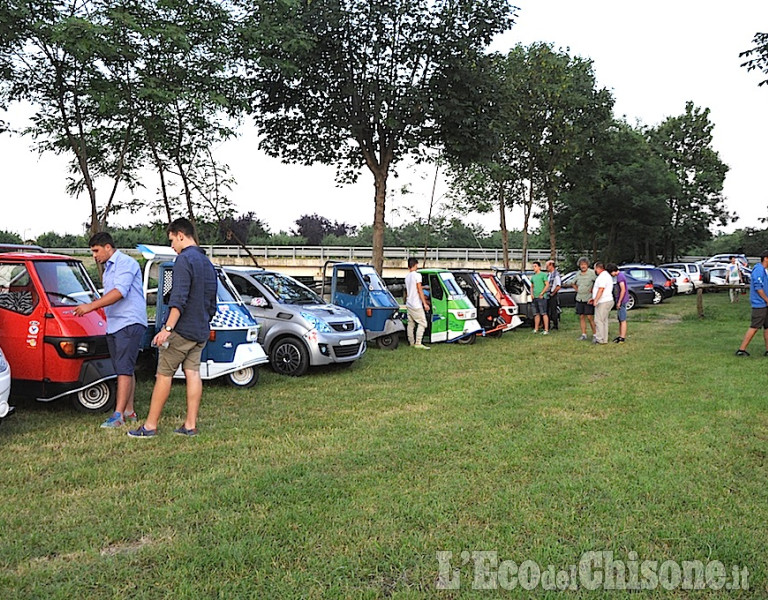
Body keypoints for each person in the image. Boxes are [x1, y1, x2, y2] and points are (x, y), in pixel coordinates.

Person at [128, 218, 217, 437]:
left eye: (172, 241)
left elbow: (178, 299)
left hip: (181, 331)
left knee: (164, 375)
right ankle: (190, 424)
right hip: (200, 330)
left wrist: (167, 329)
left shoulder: (184, 261)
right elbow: (212, 300)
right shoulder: (207, 263)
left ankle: (150, 426)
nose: (172, 247)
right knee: (193, 373)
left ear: (180, 235)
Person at [74, 232, 147, 428]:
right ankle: (129, 411)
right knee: (124, 367)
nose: (94, 256)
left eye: (96, 251)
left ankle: (118, 416)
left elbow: (119, 293)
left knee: (123, 368)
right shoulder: (107, 269)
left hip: (129, 322)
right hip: (115, 324)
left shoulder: (126, 263)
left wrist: (91, 307)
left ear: (108, 247)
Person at [735, 251, 768, 357]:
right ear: (766, 258)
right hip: (760, 304)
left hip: (765, 304)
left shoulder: (764, 270)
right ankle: (742, 350)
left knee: (767, 327)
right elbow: (758, 287)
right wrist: (767, 300)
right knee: (754, 326)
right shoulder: (758, 269)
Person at [404, 257, 431, 349]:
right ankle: (418, 342)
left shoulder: (407, 277)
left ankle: (411, 342)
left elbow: (408, 291)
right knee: (423, 323)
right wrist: (425, 303)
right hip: (416, 304)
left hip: (409, 303)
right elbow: (419, 289)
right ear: (415, 265)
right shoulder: (417, 275)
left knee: (411, 324)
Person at [571, 257, 596, 341]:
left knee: (590, 317)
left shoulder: (592, 273)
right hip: (579, 298)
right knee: (581, 316)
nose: (583, 266)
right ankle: (584, 334)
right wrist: (577, 289)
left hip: (588, 298)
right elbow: (573, 283)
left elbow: (597, 282)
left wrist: (593, 290)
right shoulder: (578, 274)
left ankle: (595, 334)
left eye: (584, 264)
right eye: (581, 264)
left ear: (587, 265)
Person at [589, 261, 614, 344]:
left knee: (598, 320)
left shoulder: (602, 277)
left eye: (595, 269)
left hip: (603, 301)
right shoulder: (607, 275)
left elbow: (601, 289)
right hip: (607, 300)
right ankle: (604, 338)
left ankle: (600, 339)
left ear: (598, 268)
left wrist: (596, 300)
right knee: (604, 320)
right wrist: (594, 298)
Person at [608, 263, 628, 344]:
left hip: (622, 300)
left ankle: (622, 337)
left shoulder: (620, 277)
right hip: (620, 300)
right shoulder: (620, 276)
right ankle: (620, 335)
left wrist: (619, 301)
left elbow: (623, 290)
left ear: (613, 271)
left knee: (622, 319)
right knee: (620, 318)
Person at [529, 261, 550, 334]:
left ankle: (546, 329)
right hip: (535, 297)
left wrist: (542, 293)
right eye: (533, 266)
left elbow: (547, 285)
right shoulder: (533, 277)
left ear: (539, 267)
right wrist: (531, 294)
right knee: (536, 313)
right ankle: (536, 328)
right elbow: (531, 286)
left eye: (535, 266)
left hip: (542, 297)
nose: (534, 268)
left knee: (543, 313)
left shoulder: (543, 275)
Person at [545, 260, 562, 330]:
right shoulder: (549, 274)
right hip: (548, 294)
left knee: (553, 311)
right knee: (548, 310)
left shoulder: (556, 275)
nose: (546, 267)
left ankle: (555, 325)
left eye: (547, 266)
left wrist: (553, 293)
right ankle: (548, 324)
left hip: (552, 295)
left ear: (551, 265)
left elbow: (558, 286)